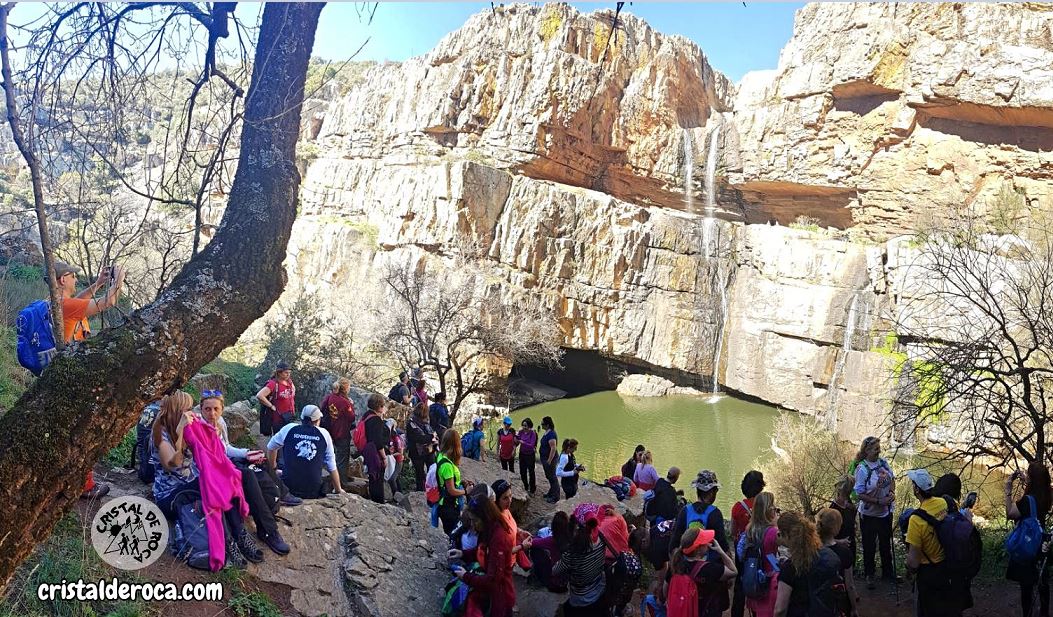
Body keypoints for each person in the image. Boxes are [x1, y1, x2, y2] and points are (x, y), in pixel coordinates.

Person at [150, 392, 258, 565]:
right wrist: (179, 435)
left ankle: (239, 535)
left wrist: (212, 432)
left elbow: (212, 453)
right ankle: (230, 542)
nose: (191, 412)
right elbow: (173, 464)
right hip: (169, 495)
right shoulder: (161, 433)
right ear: (177, 410)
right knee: (213, 489)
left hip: (189, 484)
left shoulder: (192, 426)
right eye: (187, 408)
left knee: (222, 483)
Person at [57, 260, 123, 499]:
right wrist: (118, 282)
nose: (76, 280)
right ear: (63, 280)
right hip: (73, 378)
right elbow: (109, 302)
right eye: (72, 276)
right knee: (81, 430)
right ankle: (84, 485)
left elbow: (81, 302)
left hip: (63, 373)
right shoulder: (65, 305)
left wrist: (99, 283)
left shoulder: (55, 304)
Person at [198, 391, 289, 555]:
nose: (212, 414)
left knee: (260, 459)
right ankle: (268, 530)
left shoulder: (220, 422)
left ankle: (282, 493)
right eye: (207, 409)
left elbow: (225, 449)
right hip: (210, 472)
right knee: (246, 475)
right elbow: (206, 458)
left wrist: (246, 453)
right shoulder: (198, 427)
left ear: (222, 409)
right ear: (201, 409)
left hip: (224, 464)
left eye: (216, 409)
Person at [453, 483, 516, 617]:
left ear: (484, 517)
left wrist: (466, 577)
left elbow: (493, 580)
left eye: (475, 521)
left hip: (500, 598)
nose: (474, 525)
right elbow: (484, 550)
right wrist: (464, 553)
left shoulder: (498, 538)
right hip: (495, 594)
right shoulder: (490, 530)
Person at [904, 468, 957, 617]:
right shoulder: (943, 503)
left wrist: (907, 566)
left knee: (927, 610)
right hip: (945, 566)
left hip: (928, 573)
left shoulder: (916, 520)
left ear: (916, 489)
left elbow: (913, 563)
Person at [772, 511, 846, 617]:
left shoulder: (791, 568)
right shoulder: (828, 554)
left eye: (780, 534)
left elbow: (780, 609)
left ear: (787, 535)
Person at [266, 405, 344, 499]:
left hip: (288, 487)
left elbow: (271, 447)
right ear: (317, 421)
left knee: (283, 465)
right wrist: (338, 489)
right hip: (313, 489)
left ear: (301, 418)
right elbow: (331, 465)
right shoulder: (324, 434)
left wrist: (273, 469)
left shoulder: (289, 428)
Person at [1007, 462, 1052, 617]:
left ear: (1032, 480)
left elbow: (1011, 513)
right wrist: (1027, 483)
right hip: (1042, 541)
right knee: (1042, 581)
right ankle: (1044, 612)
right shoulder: (1047, 494)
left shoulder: (1028, 500)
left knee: (1026, 585)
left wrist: (1008, 489)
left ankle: (1028, 613)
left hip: (1029, 542)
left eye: (1028, 474)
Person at [663, 527, 737, 617]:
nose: (707, 543)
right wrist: (720, 551)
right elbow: (733, 571)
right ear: (698, 549)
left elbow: (665, 589)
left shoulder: (675, 565)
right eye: (704, 542)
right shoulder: (709, 568)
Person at [853, 435, 896, 589]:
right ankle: (869, 575)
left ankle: (888, 573)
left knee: (885, 544)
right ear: (867, 450)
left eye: (879, 448)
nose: (879, 451)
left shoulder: (883, 463)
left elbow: (892, 479)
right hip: (869, 515)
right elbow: (859, 493)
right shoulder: (862, 469)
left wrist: (891, 493)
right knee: (869, 545)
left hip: (885, 513)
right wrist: (878, 501)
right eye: (876, 449)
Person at [553, 512, 608, 616]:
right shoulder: (601, 543)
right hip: (600, 587)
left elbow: (554, 571)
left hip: (581, 598)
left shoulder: (571, 555)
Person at [731, 470, 766, 617]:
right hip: (759, 550)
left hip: (742, 551)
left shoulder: (738, 507)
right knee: (759, 581)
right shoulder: (764, 506)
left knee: (739, 583)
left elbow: (733, 531)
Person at [671, 470, 729, 556]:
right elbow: (723, 545)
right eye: (716, 490)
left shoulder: (685, 511)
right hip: (708, 565)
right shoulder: (715, 513)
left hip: (688, 562)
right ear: (711, 493)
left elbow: (674, 544)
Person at [817, 508, 859, 617]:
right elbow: (849, 585)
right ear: (837, 528)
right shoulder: (844, 552)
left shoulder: (811, 551)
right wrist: (854, 608)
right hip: (840, 602)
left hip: (817, 601)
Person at [743, 492, 779, 617]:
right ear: (769, 510)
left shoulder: (750, 529)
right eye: (774, 507)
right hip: (768, 580)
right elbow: (773, 557)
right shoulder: (773, 532)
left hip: (754, 575)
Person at [491, 479, 533, 570]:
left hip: (511, 561)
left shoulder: (505, 509)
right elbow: (502, 552)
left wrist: (520, 531)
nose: (510, 500)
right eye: (505, 498)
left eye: (510, 495)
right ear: (497, 500)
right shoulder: (497, 522)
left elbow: (511, 525)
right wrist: (521, 546)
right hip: (503, 565)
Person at [319, 377, 355, 479]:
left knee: (333, 454)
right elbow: (351, 417)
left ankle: (337, 477)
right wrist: (351, 405)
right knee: (343, 456)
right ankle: (341, 480)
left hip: (331, 429)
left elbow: (322, 408)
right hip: (342, 431)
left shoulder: (330, 397)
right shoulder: (345, 402)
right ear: (345, 388)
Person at [436, 429, 472, 534]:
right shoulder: (447, 465)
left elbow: (447, 481)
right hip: (449, 507)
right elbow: (451, 490)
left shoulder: (441, 456)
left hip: (445, 505)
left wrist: (460, 482)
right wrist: (466, 491)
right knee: (454, 534)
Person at [531, 511, 576, 591]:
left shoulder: (552, 540)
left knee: (535, 549)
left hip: (555, 583)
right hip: (570, 578)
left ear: (553, 528)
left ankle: (538, 579)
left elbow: (532, 543)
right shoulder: (573, 537)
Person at [360, 394, 390, 504]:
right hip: (376, 453)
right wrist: (384, 457)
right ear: (380, 406)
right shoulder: (376, 420)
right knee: (378, 477)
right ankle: (379, 502)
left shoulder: (367, 416)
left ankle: (374, 500)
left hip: (367, 450)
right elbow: (378, 441)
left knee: (372, 476)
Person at [256, 362, 296, 435]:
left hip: (289, 416)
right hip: (278, 418)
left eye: (289, 373)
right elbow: (260, 395)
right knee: (279, 439)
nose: (288, 374)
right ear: (279, 373)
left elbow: (293, 391)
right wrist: (271, 406)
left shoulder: (289, 381)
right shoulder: (273, 384)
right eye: (286, 372)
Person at [406, 401, 436, 492]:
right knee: (421, 474)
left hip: (426, 451)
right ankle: (422, 491)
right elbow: (419, 438)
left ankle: (428, 489)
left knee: (426, 472)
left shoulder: (424, 423)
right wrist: (431, 437)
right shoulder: (412, 424)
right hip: (418, 452)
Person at [830, 476, 857, 566]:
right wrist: (839, 541)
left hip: (850, 547)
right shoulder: (832, 511)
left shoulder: (851, 507)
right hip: (837, 550)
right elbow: (823, 538)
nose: (844, 499)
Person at [540, 416, 560, 503]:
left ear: (547, 425)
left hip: (550, 459)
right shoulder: (547, 432)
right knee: (549, 476)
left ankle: (556, 496)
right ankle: (551, 492)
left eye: (543, 424)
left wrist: (549, 460)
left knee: (552, 477)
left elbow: (553, 448)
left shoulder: (551, 434)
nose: (541, 425)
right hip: (545, 458)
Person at [517, 417, 538, 494]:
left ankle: (532, 489)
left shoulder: (533, 433)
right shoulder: (521, 432)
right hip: (522, 453)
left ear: (529, 426)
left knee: (531, 472)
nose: (524, 427)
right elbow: (517, 438)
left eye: (526, 426)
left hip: (530, 455)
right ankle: (525, 486)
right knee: (522, 471)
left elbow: (532, 445)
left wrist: (523, 442)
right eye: (523, 425)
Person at [385, 418, 405, 495]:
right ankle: (400, 493)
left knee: (392, 479)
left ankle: (396, 495)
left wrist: (390, 455)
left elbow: (400, 452)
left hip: (398, 461)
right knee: (395, 479)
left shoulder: (397, 438)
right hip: (391, 460)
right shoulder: (388, 437)